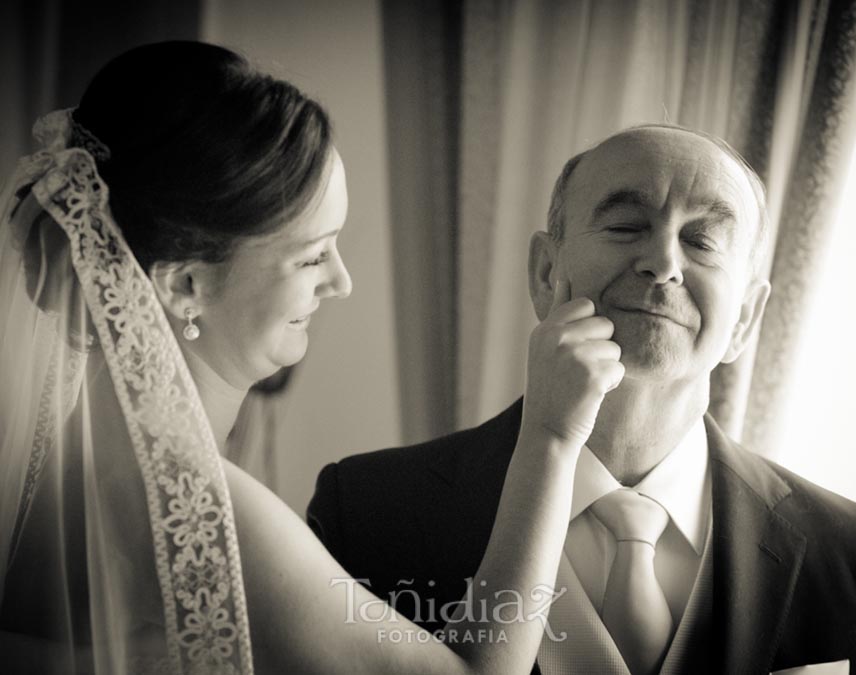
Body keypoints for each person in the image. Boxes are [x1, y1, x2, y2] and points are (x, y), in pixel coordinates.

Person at [0, 41, 625, 674]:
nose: (341, 281)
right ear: (185, 285)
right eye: (311, 256)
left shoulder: (71, 457)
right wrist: (549, 437)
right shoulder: (188, 507)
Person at [309, 125, 856, 674]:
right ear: (546, 273)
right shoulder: (365, 511)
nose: (664, 263)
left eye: (701, 240)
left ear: (745, 318)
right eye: (625, 227)